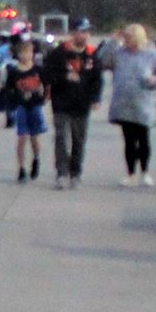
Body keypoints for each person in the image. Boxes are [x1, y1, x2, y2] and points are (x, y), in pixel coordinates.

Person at [40, 21, 106, 189]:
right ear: (72, 33)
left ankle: (75, 172)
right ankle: (61, 173)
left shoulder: (92, 55)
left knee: (79, 139)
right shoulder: (59, 53)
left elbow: (97, 79)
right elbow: (46, 75)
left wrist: (96, 98)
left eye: (86, 32)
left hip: (82, 104)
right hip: (62, 102)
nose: (83, 35)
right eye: (79, 31)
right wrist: (64, 77)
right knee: (61, 137)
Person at [104, 24, 156, 187]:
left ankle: (145, 172)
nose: (126, 40)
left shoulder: (152, 55)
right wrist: (112, 42)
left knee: (143, 138)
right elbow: (102, 60)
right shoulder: (119, 54)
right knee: (129, 140)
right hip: (123, 103)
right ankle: (130, 173)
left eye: (129, 37)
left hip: (143, 102)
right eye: (125, 37)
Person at [0, 35, 48, 182]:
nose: (25, 56)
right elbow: (8, 89)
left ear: (32, 53)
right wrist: (11, 104)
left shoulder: (38, 70)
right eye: (22, 53)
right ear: (17, 54)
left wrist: (43, 98)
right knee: (22, 138)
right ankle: (21, 168)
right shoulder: (14, 71)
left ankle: (36, 159)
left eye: (28, 52)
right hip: (21, 106)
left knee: (34, 137)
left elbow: (46, 86)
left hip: (35, 106)